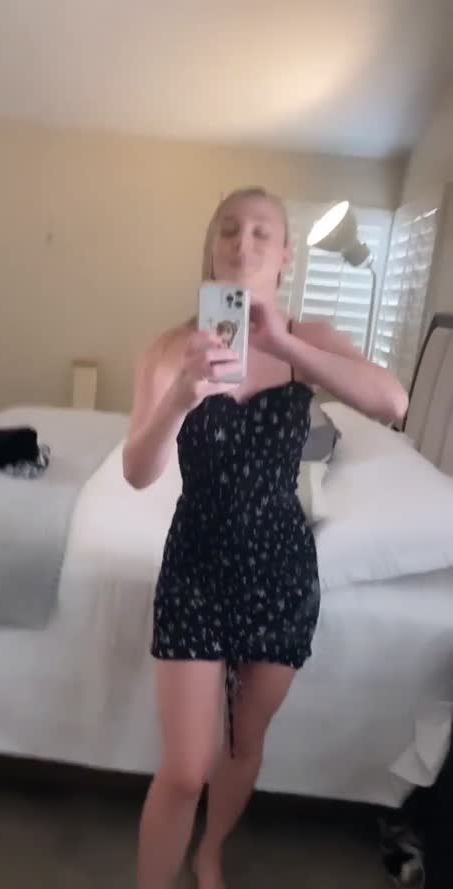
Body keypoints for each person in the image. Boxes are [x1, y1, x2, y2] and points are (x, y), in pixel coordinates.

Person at [123, 186, 409, 889]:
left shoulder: (309, 338)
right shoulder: (169, 349)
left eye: (261, 232)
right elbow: (136, 471)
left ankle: (211, 852)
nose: (242, 241)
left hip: (280, 566)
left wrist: (282, 342)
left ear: (285, 256)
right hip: (196, 561)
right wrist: (183, 394)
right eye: (229, 229)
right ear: (211, 247)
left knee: (245, 741)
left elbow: (393, 402)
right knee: (185, 768)